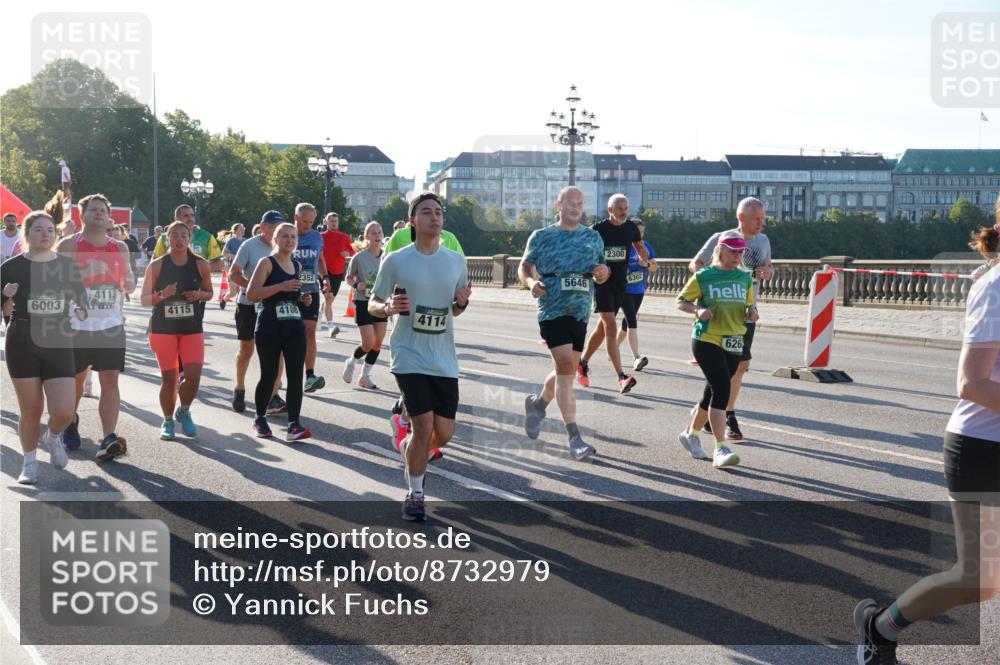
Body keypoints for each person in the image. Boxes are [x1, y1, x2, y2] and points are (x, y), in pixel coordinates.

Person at [853, 205, 1000, 664]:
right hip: (983, 449)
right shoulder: (996, 286)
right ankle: (880, 627)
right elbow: (971, 383)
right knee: (978, 579)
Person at [369, 192, 471, 521]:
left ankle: (406, 437)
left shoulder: (456, 261)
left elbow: (455, 310)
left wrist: (462, 302)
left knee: (443, 434)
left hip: (443, 357)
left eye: (438, 212)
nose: (434, 217)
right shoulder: (397, 259)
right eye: (426, 212)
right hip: (408, 354)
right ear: (413, 221)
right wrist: (387, 308)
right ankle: (415, 494)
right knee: (424, 426)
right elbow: (373, 302)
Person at [519, 186, 609, 461]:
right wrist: (532, 283)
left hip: (580, 311)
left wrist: (604, 273)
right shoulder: (542, 236)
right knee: (567, 370)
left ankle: (537, 404)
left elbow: (602, 271)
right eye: (570, 203)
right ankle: (575, 438)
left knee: (564, 371)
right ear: (559, 204)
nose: (575, 208)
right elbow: (524, 266)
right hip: (552, 310)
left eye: (580, 204)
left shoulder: (593, 237)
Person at [2, 211, 88, 482]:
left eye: (50, 230)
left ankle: (53, 438)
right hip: (22, 338)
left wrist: (81, 308)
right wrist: (5, 296)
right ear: (26, 234)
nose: (45, 234)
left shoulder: (66, 265)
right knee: (31, 411)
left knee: (64, 410)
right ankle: (29, 464)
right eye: (38, 229)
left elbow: (81, 298)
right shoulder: (10, 267)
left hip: (57, 338)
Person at [56, 194, 135, 460]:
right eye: (93, 210)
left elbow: (129, 278)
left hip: (110, 324)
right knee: (76, 381)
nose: (99, 213)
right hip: (77, 325)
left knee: (110, 378)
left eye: (103, 210)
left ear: (109, 216)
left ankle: (108, 437)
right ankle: (70, 420)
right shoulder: (70, 244)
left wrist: (129, 282)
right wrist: (87, 275)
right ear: (83, 215)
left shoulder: (120, 247)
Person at [688, 197, 773, 440]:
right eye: (757, 219)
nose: (761, 223)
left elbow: (768, 267)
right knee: (725, 370)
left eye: (763, 219)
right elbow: (695, 264)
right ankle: (726, 415)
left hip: (745, 313)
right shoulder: (720, 237)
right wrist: (712, 279)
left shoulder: (763, 241)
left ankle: (711, 413)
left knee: (740, 365)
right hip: (719, 313)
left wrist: (768, 272)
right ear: (741, 218)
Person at [676, 231, 757, 469]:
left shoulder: (744, 279)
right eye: (733, 251)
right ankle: (720, 446)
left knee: (711, 392)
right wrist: (697, 310)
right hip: (706, 338)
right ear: (720, 250)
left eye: (741, 252)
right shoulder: (704, 276)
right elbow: (680, 300)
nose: (737, 256)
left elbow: (748, 306)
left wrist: (752, 313)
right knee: (722, 388)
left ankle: (690, 434)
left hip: (734, 339)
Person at [140, 221, 212, 440]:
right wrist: (163, 294)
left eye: (183, 235)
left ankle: (185, 410)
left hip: (191, 328)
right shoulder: (157, 265)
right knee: (169, 379)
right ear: (167, 239)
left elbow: (209, 292)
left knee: (193, 377)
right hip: (164, 329)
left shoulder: (200, 264)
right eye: (174, 236)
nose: (179, 239)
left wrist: (199, 295)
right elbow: (144, 300)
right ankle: (168, 420)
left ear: (189, 239)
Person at [247, 221, 313, 441]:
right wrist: (280, 287)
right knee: (269, 374)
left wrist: (303, 299)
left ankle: (294, 425)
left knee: (295, 376)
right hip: (269, 327)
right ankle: (259, 418)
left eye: (293, 237)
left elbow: (292, 296)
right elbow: (252, 293)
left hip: (294, 326)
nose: (290, 240)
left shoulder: (297, 266)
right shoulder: (266, 263)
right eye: (284, 236)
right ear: (275, 240)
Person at [577, 194, 647, 393]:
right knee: (610, 326)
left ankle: (582, 363)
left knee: (601, 328)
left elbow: (639, 246)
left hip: (620, 284)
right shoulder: (597, 230)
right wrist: (591, 268)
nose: (623, 212)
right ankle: (621, 377)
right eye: (619, 208)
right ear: (610, 210)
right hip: (602, 284)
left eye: (625, 208)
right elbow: (582, 252)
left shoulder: (630, 228)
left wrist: (645, 259)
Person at [229, 211, 286, 414]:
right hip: (248, 304)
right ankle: (240, 388)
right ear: (262, 227)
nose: (275, 231)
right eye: (271, 226)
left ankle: (273, 396)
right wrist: (254, 288)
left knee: (278, 351)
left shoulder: (285, 247)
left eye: (279, 226)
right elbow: (233, 274)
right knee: (247, 349)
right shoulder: (249, 246)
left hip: (274, 305)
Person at [342, 221, 387, 390]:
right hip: (362, 302)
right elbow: (348, 278)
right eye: (373, 233)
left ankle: (365, 376)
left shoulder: (387, 257)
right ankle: (352, 361)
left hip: (381, 302)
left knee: (377, 344)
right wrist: (356, 285)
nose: (377, 235)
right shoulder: (359, 258)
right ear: (367, 236)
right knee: (368, 343)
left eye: (379, 232)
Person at [292, 203, 329, 393]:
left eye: (311, 222)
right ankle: (281, 373)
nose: (307, 225)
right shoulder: (287, 235)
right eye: (304, 221)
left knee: (310, 331)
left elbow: (320, 259)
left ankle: (309, 375)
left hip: (311, 289)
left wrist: (326, 278)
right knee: (288, 334)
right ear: (296, 218)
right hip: (289, 290)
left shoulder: (316, 237)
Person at [617, 218, 657, 372]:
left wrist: (645, 264)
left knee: (626, 325)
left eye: (642, 232)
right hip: (624, 290)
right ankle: (636, 358)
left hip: (639, 290)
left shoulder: (645, 246)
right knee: (632, 321)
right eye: (637, 232)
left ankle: (612, 348)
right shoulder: (623, 247)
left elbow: (654, 267)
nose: (639, 235)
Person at [153, 205, 223, 270]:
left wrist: (198, 269)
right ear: (176, 219)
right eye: (186, 216)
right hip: (170, 281)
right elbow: (154, 263)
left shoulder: (207, 237)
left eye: (192, 215)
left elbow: (219, 263)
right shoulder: (164, 238)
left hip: (198, 282)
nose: (190, 219)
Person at [320, 212, 355, 338]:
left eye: (336, 221)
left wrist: (348, 253)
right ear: (326, 222)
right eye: (331, 221)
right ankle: (331, 327)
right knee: (328, 298)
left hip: (338, 272)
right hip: (324, 271)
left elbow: (352, 250)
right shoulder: (320, 237)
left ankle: (320, 313)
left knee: (329, 300)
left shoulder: (344, 237)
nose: (334, 223)